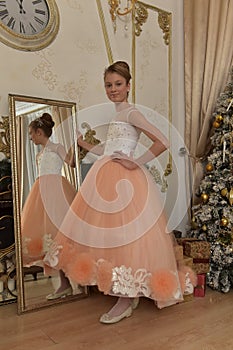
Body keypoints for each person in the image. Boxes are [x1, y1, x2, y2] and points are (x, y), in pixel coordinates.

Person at [44, 61, 196, 323]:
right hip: (105, 176)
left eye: (117, 84)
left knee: (125, 237)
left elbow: (163, 141)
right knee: (106, 236)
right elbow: (107, 151)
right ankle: (119, 290)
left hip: (125, 182)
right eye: (108, 85)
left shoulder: (132, 113)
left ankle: (125, 298)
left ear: (128, 86)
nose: (113, 89)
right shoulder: (118, 115)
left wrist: (137, 161)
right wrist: (83, 144)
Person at [21, 112, 77, 300]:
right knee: (52, 238)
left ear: (39, 132)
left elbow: (71, 163)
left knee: (62, 235)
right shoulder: (41, 154)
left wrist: (77, 145)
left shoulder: (56, 147)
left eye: (31, 133)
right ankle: (65, 284)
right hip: (42, 194)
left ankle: (75, 279)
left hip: (57, 192)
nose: (30, 137)